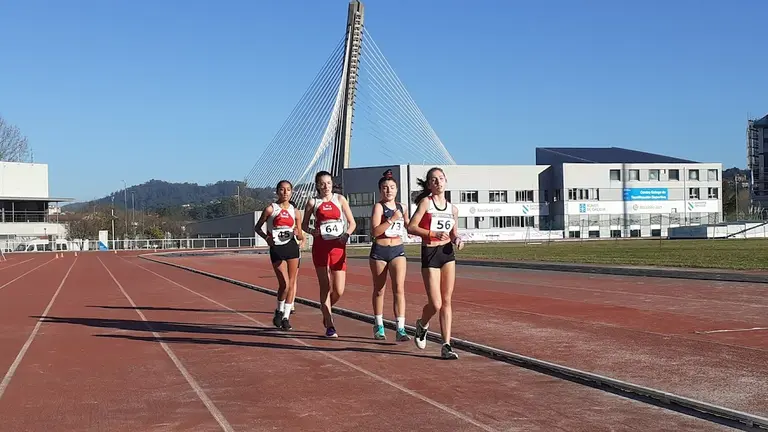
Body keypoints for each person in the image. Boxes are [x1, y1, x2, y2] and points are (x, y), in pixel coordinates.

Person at [407, 166, 464, 360]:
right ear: (429, 185)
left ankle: (446, 345)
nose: (438, 182)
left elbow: (453, 233)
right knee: (436, 303)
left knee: (447, 301)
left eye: (441, 178)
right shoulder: (426, 203)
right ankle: (422, 324)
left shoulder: (453, 209)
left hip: (447, 253)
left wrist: (457, 239)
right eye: (433, 179)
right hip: (430, 252)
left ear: (446, 181)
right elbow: (411, 227)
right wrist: (432, 233)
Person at [302, 171, 356, 338]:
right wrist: (313, 231)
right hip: (321, 247)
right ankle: (330, 323)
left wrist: (346, 235)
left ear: (332, 184)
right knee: (325, 286)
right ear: (317, 185)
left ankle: (325, 309)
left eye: (329, 183)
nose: (326, 186)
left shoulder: (340, 199)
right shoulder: (313, 202)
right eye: (322, 183)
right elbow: (304, 225)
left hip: (338, 247)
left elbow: (352, 223)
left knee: (339, 290)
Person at [255, 180, 304, 331]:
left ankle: (286, 317)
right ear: (277, 192)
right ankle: (279, 310)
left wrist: (298, 233)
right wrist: (266, 238)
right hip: (277, 248)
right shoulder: (271, 209)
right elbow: (257, 227)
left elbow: (300, 235)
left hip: (291, 247)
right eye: (282, 189)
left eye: (288, 189)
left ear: (292, 192)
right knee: (284, 284)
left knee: (292, 283)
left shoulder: (295, 212)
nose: (285, 192)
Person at [368, 169, 410, 341]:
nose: (389, 190)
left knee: (399, 288)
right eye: (385, 188)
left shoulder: (403, 207)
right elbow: (375, 231)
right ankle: (379, 325)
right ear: (380, 190)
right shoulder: (378, 207)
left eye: (392, 187)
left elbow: (409, 226)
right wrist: (391, 219)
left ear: (397, 189)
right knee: (379, 289)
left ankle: (401, 328)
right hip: (380, 251)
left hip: (397, 250)